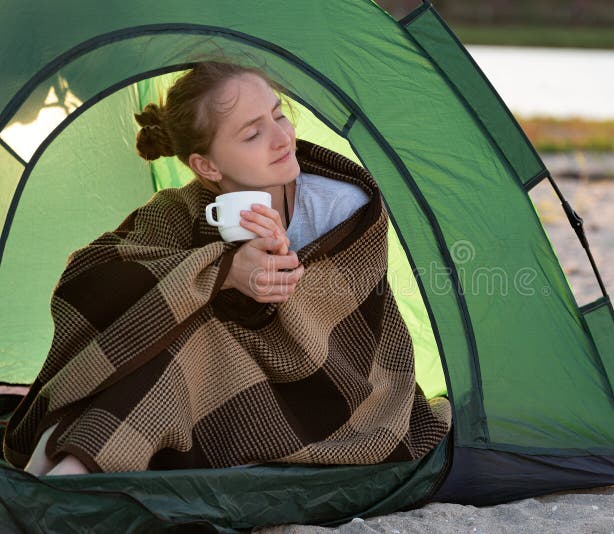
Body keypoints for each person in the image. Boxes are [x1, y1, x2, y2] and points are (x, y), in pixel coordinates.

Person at [17, 61, 400, 476]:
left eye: (278, 115)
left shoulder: (342, 208)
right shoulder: (180, 210)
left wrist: (272, 275)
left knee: (194, 337)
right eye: (253, 133)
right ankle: (66, 450)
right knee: (159, 326)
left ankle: (70, 461)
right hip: (204, 386)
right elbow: (87, 278)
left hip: (315, 394)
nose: (282, 138)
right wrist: (225, 270)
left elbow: (341, 337)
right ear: (208, 168)